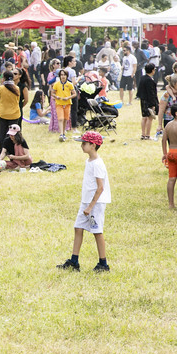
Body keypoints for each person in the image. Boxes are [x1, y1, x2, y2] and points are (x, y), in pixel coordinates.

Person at [56, 131, 111, 272]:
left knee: (97, 231)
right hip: (86, 202)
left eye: (84, 143)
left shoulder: (98, 164)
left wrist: (90, 206)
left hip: (95, 204)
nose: (81, 146)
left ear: (93, 145)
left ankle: (103, 264)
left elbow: (100, 188)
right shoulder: (89, 161)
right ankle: (74, 261)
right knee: (78, 228)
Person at [51, 69, 77, 142]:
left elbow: (74, 94)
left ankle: (63, 132)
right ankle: (61, 134)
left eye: (64, 75)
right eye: (61, 75)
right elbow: (52, 93)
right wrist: (57, 97)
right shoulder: (56, 84)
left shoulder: (69, 84)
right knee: (60, 118)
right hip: (59, 103)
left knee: (65, 118)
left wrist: (68, 97)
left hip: (67, 103)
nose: (63, 76)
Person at [0, 70, 22, 140]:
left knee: (2, 134)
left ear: (4, 78)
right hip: (14, 114)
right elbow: (18, 100)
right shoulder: (17, 88)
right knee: (13, 135)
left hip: (3, 114)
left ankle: (2, 150)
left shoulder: (0, 88)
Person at [137, 63, 159, 140]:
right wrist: (153, 104)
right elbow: (151, 93)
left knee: (144, 117)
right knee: (150, 118)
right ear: (152, 70)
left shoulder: (142, 78)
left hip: (143, 99)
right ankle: (148, 135)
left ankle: (143, 134)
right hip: (149, 100)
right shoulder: (150, 80)